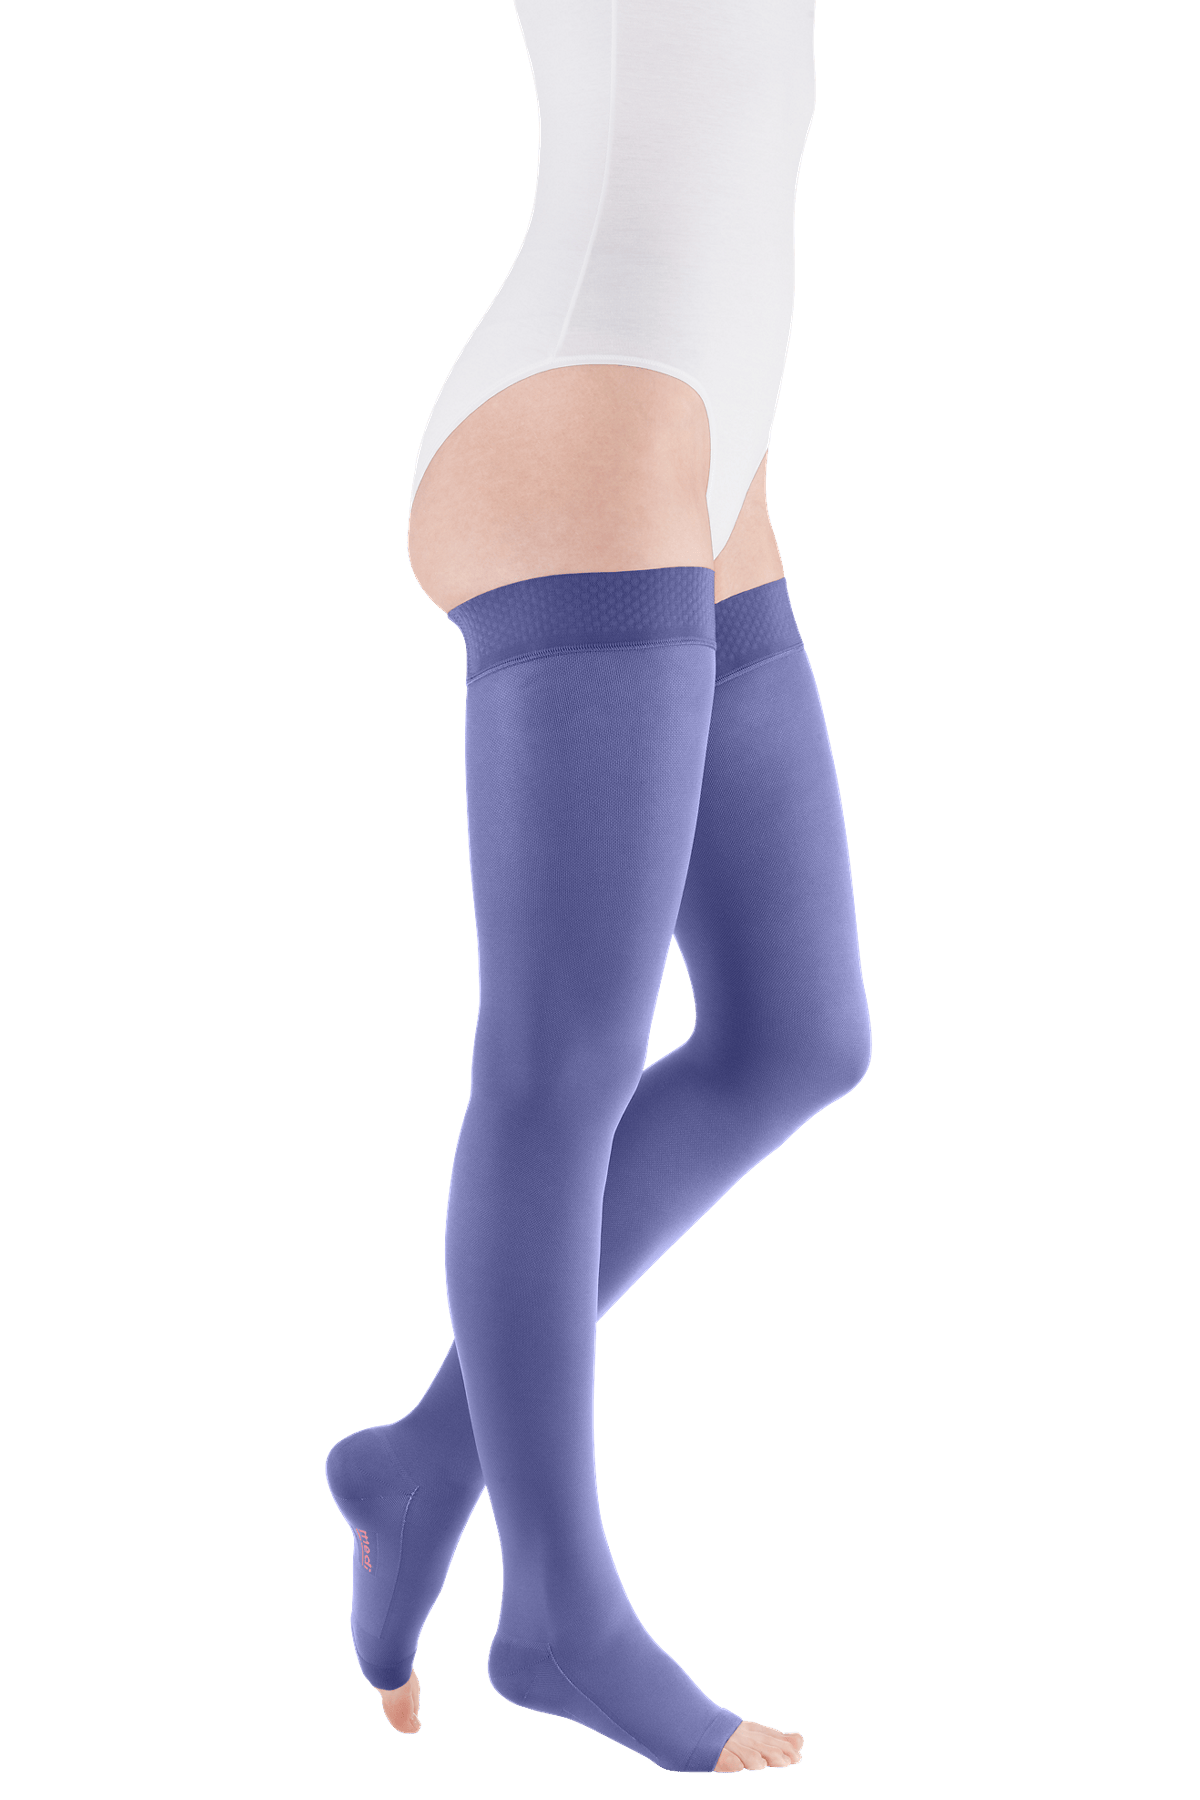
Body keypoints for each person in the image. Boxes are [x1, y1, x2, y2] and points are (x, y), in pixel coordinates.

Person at [326, 0, 870, 1774]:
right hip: (584, 414)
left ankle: (424, 1463)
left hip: (711, 443)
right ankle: (557, 1610)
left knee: (800, 1034)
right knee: (559, 1060)